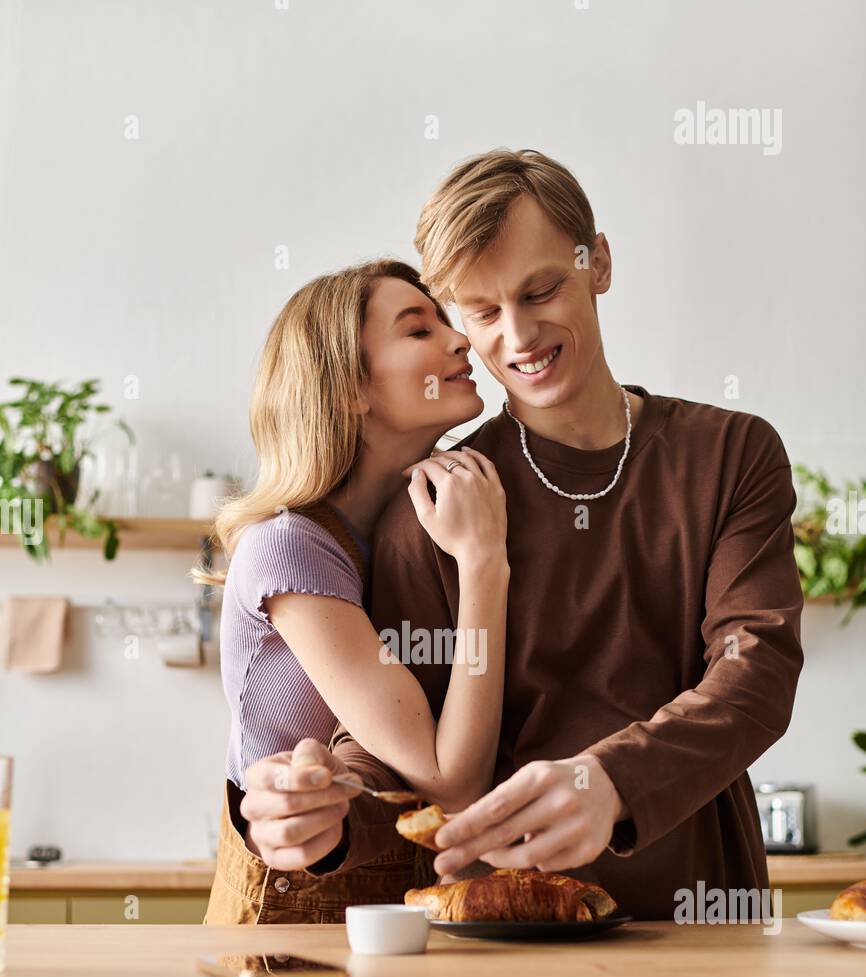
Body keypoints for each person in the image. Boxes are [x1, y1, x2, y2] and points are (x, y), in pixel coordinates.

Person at [239, 148, 804, 922]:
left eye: (542, 290)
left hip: (705, 912)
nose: (519, 334)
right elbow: (397, 758)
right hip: (502, 931)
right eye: (481, 310)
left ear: (597, 262)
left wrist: (614, 782)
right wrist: (325, 814)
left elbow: (756, 675)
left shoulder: (733, 454)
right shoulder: (437, 507)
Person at [200, 259, 508, 925]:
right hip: (292, 905)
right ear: (349, 391)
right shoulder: (291, 545)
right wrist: (485, 559)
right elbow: (446, 776)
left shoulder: (396, 535)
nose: (459, 340)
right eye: (417, 330)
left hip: (389, 901)